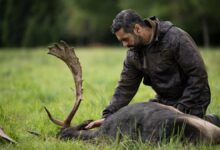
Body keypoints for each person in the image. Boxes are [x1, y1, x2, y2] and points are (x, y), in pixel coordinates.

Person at [85, 9, 220, 129]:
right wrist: (108, 117)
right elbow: (125, 87)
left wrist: (181, 109)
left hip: (193, 100)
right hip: (163, 102)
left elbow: (198, 75)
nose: (124, 45)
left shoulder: (175, 37)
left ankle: (210, 121)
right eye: (121, 41)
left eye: (125, 39)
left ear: (137, 29)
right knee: (142, 127)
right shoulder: (133, 53)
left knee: (174, 134)